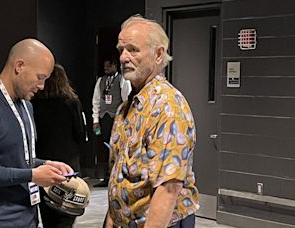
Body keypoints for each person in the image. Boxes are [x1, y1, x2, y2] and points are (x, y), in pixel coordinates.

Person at [0, 38, 73, 228]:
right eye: (40, 78)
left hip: (27, 219)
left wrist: (46, 165)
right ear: (19, 66)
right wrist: (32, 175)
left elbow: (16, 160)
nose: (42, 87)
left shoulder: (26, 106)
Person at [105, 15, 199, 228]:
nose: (123, 58)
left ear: (158, 55)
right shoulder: (127, 107)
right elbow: (119, 175)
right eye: (121, 50)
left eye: (133, 49)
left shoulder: (167, 108)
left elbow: (168, 189)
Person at [31, 63, 87, 227]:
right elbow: (80, 135)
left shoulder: (33, 105)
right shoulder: (72, 103)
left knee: (48, 216)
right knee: (66, 216)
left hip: (42, 168)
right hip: (67, 170)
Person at [92, 58, 131, 187]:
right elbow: (96, 100)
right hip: (104, 118)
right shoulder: (101, 81)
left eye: (108, 67)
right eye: (105, 67)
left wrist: (125, 118)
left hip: (117, 117)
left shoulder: (122, 80)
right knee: (104, 147)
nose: (106, 69)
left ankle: (117, 175)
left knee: (116, 146)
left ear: (114, 65)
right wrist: (96, 119)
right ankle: (106, 176)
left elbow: (127, 99)